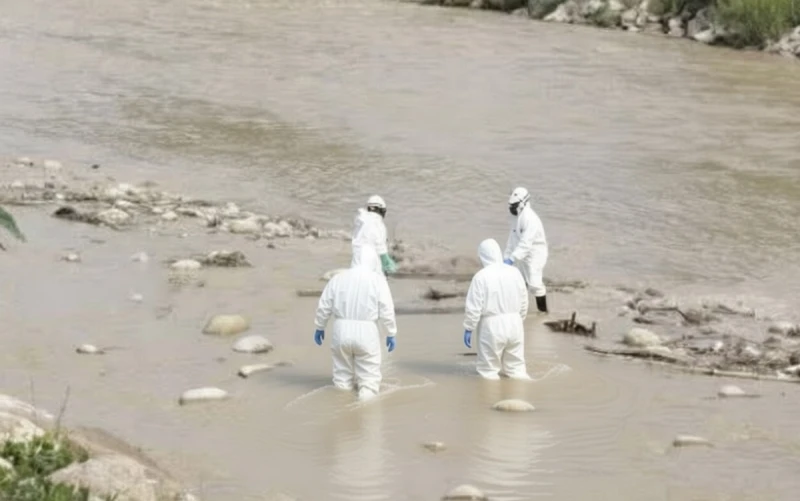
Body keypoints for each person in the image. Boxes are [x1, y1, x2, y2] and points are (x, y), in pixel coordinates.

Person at [313, 244, 398, 401]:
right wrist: (391, 333)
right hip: (366, 332)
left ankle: (341, 409)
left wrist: (320, 326)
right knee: (369, 379)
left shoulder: (338, 278)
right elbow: (387, 309)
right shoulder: (377, 281)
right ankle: (365, 413)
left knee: (342, 376)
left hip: (341, 331)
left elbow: (324, 305)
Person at [462, 238, 531, 380]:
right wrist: (519, 319)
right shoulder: (515, 272)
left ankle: (491, 398)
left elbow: (474, 306)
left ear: (482, 256)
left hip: (492, 327)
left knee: (488, 370)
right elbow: (524, 300)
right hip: (515, 323)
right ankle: (524, 395)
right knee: (516, 368)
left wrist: (469, 327)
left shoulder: (481, 277)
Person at [503, 187, 549, 314]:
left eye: (514, 206)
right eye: (510, 206)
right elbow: (512, 238)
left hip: (535, 253)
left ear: (523, 204)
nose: (511, 208)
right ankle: (519, 311)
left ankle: (543, 312)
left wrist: (512, 258)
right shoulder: (515, 217)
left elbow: (526, 243)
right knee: (520, 282)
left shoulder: (530, 219)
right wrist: (506, 256)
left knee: (535, 284)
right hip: (522, 253)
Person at [352, 195, 397, 276]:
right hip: (370, 272)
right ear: (382, 211)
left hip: (355, 267)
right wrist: (388, 263)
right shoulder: (377, 223)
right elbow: (380, 247)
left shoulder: (360, 222)